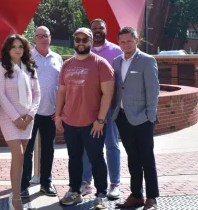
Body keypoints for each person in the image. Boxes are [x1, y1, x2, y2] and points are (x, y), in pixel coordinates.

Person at [55, 27, 114, 209]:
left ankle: (101, 194)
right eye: (78, 39)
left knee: (96, 158)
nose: (81, 43)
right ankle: (75, 191)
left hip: (93, 123)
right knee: (74, 158)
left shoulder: (101, 64)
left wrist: (101, 120)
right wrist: (58, 116)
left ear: (90, 42)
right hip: (70, 121)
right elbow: (62, 93)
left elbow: (107, 94)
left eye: (85, 40)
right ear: (74, 41)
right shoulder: (67, 64)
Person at [112, 27, 160, 210]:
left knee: (147, 158)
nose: (126, 45)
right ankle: (136, 195)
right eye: (122, 42)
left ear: (136, 40)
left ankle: (151, 197)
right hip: (123, 119)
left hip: (143, 119)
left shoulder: (147, 61)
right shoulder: (116, 61)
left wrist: (150, 116)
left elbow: (153, 90)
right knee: (133, 158)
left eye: (129, 41)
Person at [0, 34, 41, 210]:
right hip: (9, 118)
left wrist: (29, 116)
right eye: (14, 47)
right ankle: (15, 200)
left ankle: (16, 194)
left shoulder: (30, 67)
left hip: (28, 120)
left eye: (20, 46)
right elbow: (1, 95)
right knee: (18, 156)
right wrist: (16, 118)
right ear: (8, 49)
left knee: (20, 159)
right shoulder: (0, 67)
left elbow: (37, 94)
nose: (18, 50)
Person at [81, 19, 123, 199]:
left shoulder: (116, 51)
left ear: (106, 30)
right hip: (88, 107)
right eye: (94, 28)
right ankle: (85, 182)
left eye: (101, 28)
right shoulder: (83, 51)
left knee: (111, 145)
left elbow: (121, 81)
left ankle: (115, 183)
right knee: (86, 146)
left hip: (109, 108)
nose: (98, 31)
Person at [21, 27, 62, 198]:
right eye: (40, 36)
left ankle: (46, 182)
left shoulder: (58, 58)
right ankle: (23, 184)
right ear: (34, 38)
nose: (43, 38)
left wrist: (60, 110)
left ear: (50, 38)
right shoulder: (27, 58)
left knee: (48, 150)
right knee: (27, 150)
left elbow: (62, 86)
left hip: (51, 112)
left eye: (46, 36)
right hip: (31, 113)